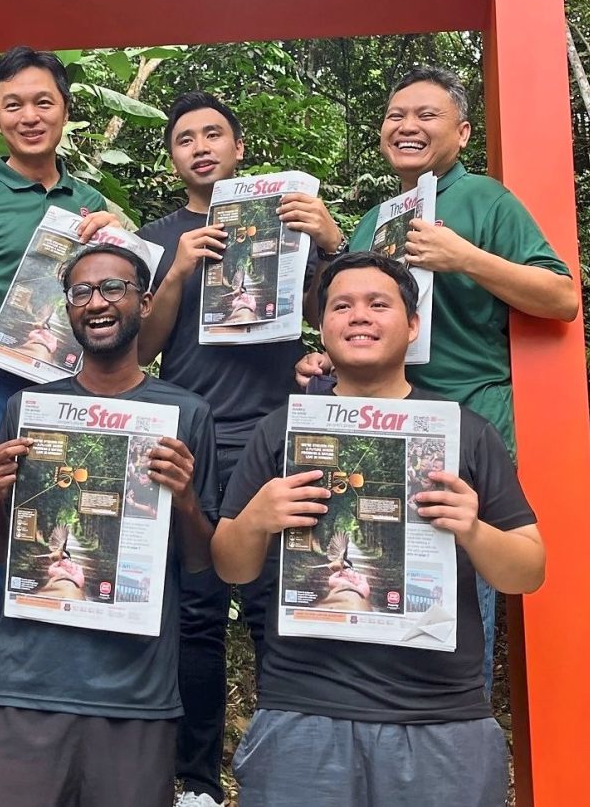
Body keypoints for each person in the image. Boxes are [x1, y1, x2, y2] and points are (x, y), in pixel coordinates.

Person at [213, 251, 546, 807]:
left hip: (441, 718)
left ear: (413, 326)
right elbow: (230, 563)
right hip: (303, 710)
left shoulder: (464, 433)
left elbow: (529, 570)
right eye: (341, 306)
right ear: (323, 328)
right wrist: (257, 517)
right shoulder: (281, 432)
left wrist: (473, 529)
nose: (359, 316)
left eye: (378, 304)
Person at [298, 65, 575, 691]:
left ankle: (453, 721)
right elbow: (360, 317)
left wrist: (466, 258)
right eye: (397, 116)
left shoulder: (485, 200)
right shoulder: (380, 218)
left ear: (463, 132)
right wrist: (325, 356)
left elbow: (560, 297)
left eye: (426, 115)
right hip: (377, 428)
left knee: (457, 594)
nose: (408, 126)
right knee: (367, 578)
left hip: (464, 429)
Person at [136, 91, 342, 807]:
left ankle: (293, 767)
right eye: (185, 138)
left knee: (276, 606)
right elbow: (142, 346)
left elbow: (337, 314)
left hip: (273, 429)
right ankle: (195, 781)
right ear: (172, 159)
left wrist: (330, 240)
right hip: (188, 427)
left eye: (213, 134)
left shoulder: (286, 216)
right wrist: (180, 271)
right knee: (195, 614)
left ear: (238, 147)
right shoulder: (160, 237)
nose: (200, 146)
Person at [0, 47, 117, 805]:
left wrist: (117, 234)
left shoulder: (91, 197)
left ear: (65, 109)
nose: (29, 116)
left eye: (43, 102)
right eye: (13, 104)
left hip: (68, 395)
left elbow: (110, 307)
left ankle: (53, 760)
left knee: (64, 567)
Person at [0, 243, 218, 807]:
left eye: (113, 289)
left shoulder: (187, 415)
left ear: (144, 302)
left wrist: (186, 501)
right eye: (81, 292)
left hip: (136, 691)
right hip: (23, 683)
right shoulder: (29, 409)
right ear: (69, 308)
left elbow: (203, 563)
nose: (96, 303)